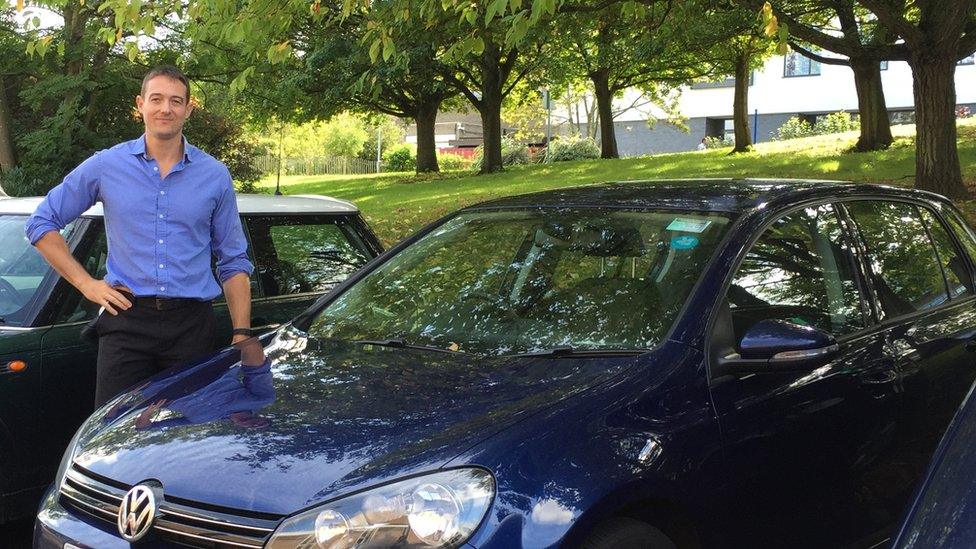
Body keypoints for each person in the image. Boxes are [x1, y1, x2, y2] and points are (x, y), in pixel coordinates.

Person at [26, 65, 255, 407]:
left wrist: (242, 332)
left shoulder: (215, 175)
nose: (166, 108)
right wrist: (86, 284)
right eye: (157, 99)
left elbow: (233, 260)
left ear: (188, 109)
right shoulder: (106, 166)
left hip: (192, 327)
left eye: (176, 101)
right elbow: (41, 223)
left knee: (186, 438)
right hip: (126, 324)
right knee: (113, 438)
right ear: (140, 105)